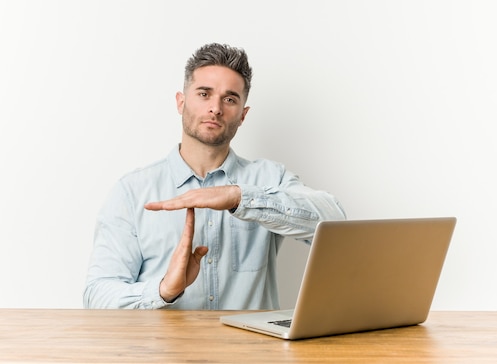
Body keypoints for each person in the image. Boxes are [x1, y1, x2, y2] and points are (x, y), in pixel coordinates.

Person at [83, 43, 346, 310]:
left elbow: (336, 223)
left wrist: (239, 197)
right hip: (165, 352)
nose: (216, 108)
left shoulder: (269, 178)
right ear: (181, 102)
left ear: (243, 115)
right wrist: (163, 291)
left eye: (229, 99)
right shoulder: (132, 191)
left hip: (251, 351)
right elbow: (97, 296)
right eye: (204, 94)